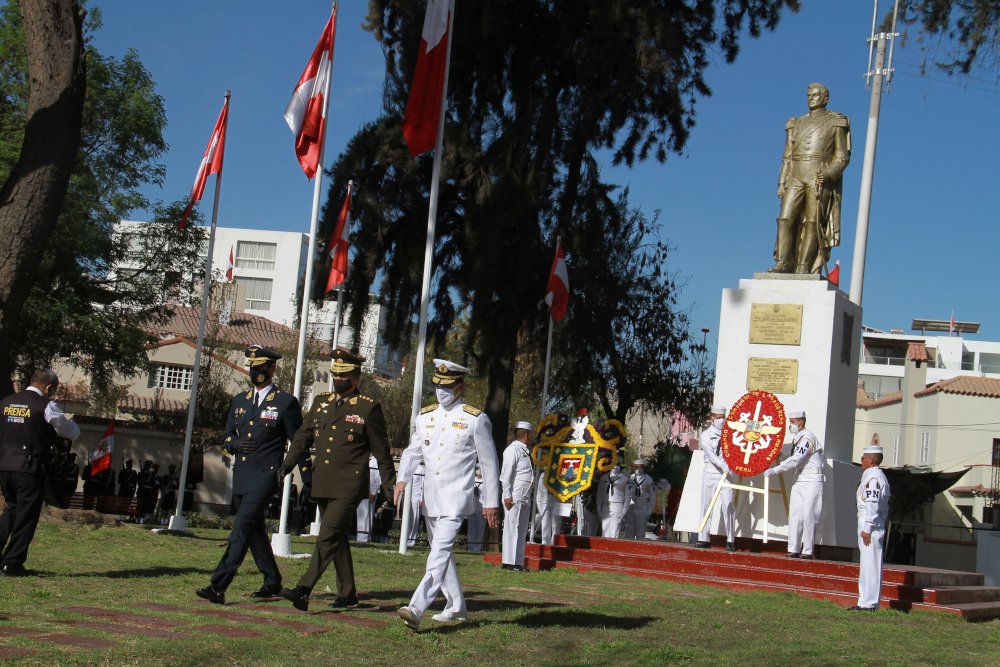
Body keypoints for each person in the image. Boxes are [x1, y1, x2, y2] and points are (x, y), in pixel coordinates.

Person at [278, 347, 395, 612]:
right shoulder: (321, 402)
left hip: (350, 484)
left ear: (356, 378)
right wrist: (287, 464)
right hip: (323, 481)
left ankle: (303, 589)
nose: (338, 380)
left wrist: (389, 486)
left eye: (344, 376)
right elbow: (302, 437)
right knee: (337, 537)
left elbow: (382, 452)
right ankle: (348, 593)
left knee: (327, 535)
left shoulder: (367, 408)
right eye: (335, 374)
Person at [394, 359, 500, 631]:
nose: (441, 392)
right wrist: (402, 479)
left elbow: (489, 464)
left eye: (448, 386)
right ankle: (456, 607)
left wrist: (491, 502)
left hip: (456, 496)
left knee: (439, 552)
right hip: (431, 497)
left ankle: (416, 607)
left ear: (460, 387)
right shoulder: (425, 416)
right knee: (441, 553)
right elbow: (413, 451)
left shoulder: (475, 419)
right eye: (438, 385)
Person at [196, 345, 302, 605]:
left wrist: (286, 467)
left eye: (262, 367)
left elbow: (299, 441)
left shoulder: (285, 402)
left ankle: (218, 586)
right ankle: (272, 581)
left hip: (265, 475)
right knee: (254, 531)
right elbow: (227, 435)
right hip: (242, 474)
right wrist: (234, 444)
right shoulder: (240, 401)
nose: (256, 372)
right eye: (253, 368)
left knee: (240, 529)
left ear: (272, 368)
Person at [0, 369, 80, 575]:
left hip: (5, 466)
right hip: (29, 468)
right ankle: (13, 562)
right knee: (27, 515)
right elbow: (70, 432)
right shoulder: (46, 405)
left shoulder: (6, 402)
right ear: (49, 388)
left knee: (12, 509)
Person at [769, 82, 851, 274]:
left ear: (825, 98)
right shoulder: (796, 123)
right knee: (784, 219)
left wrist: (829, 174)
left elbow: (842, 157)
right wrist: (782, 181)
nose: (811, 99)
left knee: (813, 222)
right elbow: (787, 156)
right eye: (809, 96)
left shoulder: (836, 121)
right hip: (796, 175)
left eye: (815, 95)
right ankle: (784, 262)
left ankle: (804, 266)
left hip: (818, 174)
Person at [763, 410, 824, 559]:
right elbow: (795, 458)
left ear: (801, 423)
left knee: (809, 515)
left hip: (812, 480)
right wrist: (782, 456)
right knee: (795, 515)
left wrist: (775, 470)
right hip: (799, 478)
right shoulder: (799, 438)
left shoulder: (807, 438)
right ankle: (793, 549)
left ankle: (807, 550)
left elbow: (796, 459)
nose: (790, 425)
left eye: (792, 422)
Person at [850, 443, 890, 612]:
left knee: (871, 565)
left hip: (871, 526)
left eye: (864, 458)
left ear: (872, 460)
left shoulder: (873, 479)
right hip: (870, 524)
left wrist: (867, 528)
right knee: (867, 565)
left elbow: (872, 505)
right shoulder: (872, 476)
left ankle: (870, 603)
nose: (861, 460)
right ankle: (864, 601)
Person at [698, 404, 736, 551]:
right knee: (706, 505)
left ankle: (731, 539)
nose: (722, 420)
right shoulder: (706, 435)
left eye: (723, 418)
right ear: (712, 418)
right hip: (711, 472)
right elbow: (710, 453)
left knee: (728, 505)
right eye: (719, 418)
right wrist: (722, 464)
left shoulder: (730, 435)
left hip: (726, 474)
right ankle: (703, 538)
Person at [500, 420, 533, 570]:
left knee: (521, 528)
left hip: (524, 493)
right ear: (526, 435)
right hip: (515, 492)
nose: (531, 437)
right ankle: (508, 561)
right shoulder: (512, 450)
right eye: (530, 434)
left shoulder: (524, 450)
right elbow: (506, 475)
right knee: (512, 527)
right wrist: (507, 495)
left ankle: (518, 562)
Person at [624, 459, 655, 540]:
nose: (638, 469)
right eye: (636, 467)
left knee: (640, 532)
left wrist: (649, 511)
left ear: (644, 467)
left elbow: (652, 497)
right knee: (629, 531)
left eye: (640, 467)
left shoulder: (649, 479)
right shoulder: (631, 477)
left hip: (642, 507)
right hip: (631, 507)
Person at [596, 462, 628, 538]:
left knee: (615, 530)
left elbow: (628, 496)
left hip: (617, 505)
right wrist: (599, 508)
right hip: (605, 505)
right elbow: (600, 494)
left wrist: (624, 511)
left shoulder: (625, 479)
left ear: (620, 467)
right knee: (605, 530)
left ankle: (613, 547)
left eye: (617, 465)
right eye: (613, 465)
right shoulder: (604, 477)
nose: (615, 467)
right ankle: (605, 547)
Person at [354, 454, 380, 543]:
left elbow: (377, 478)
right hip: (361, 490)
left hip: (370, 492)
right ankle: (360, 536)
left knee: (367, 514)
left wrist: (373, 492)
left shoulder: (375, 461)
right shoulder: (363, 458)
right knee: (361, 515)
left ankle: (365, 537)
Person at [534, 468, 561, 545]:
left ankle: (555, 543)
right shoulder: (543, 475)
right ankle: (545, 543)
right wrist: (540, 505)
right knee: (545, 523)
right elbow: (539, 493)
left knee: (555, 525)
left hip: (556, 502)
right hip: (544, 502)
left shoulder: (560, 475)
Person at [465, 468, 486, 552]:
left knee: (480, 529)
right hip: (472, 506)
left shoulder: (486, 481)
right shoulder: (472, 480)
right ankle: (471, 547)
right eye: (478, 469)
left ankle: (478, 548)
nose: (479, 471)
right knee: (471, 528)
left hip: (482, 507)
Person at [405, 462, 425, 547]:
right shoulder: (408, 468)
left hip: (416, 497)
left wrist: (421, 498)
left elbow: (423, 485)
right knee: (406, 518)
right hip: (407, 497)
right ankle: (405, 538)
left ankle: (411, 540)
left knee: (414, 520)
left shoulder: (420, 469)